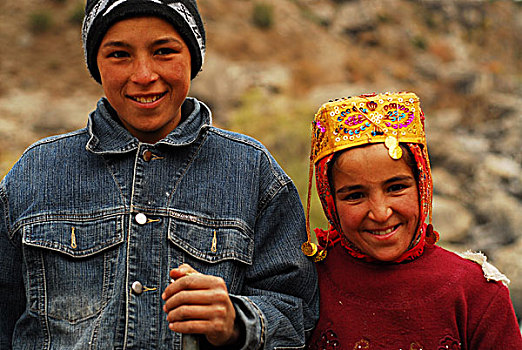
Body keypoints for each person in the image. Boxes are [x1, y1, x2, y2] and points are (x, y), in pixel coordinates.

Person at [0, 0, 318, 348]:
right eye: (119, 55)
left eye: (164, 51)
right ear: (96, 65)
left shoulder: (253, 172)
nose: (144, 75)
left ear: (193, 58)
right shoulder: (33, 174)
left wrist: (236, 321)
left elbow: (297, 314)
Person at [300, 92, 522, 349]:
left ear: (422, 185)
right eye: (355, 195)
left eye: (395, 188)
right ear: (329, 200)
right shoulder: (304, 283)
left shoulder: (478, 292)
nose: (381, 213)